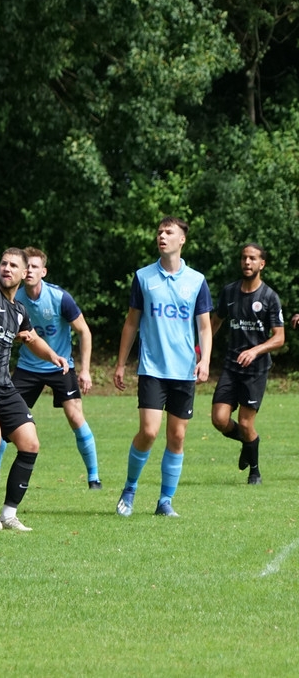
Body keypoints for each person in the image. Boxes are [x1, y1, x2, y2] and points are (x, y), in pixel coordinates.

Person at [0, 248, 68, 532]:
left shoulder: (19, 310)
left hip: (4, 386)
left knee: (30, 443)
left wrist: (53, 356)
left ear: (23, 273)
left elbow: (32, 338)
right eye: (3, 263)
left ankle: (9, 514)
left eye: (13, 265)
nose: (6, 268)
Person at [113, 216, 212, 518]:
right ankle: (130, 489)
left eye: (169, 232)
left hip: (184, 371)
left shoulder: (196, 281)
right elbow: (131, 322)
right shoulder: (143, 277)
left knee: (177, 436)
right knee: (149, 431)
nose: (162, 236)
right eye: (159, 232)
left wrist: (205, 360)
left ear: (182, 239)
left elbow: (204, 327)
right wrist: (120, 364)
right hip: (152, 368)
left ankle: (165, 501)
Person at [12, 247, 102, 489]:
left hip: (60, 365)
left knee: (75, 416)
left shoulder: (60, 297)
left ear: (44, 271)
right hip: (28, 366)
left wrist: (85, 370)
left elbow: (84, 331)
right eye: (26, 266)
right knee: (5, 419)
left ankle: (94, 477)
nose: (29, 271)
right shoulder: (14, 299)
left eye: (34, 267)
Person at [210, 243, 284, 485]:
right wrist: (201, 351)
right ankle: (248, 442)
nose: (247, 262)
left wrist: (255, 351)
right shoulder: (229, 292)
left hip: (256, 370)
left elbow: (279, 338)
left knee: (245, 422)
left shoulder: (270, 297)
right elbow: (214, 322)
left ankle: (255, 472)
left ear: (262, 264)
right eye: (243, 258)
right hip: (231, 366)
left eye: (252, 258)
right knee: (219, 419)